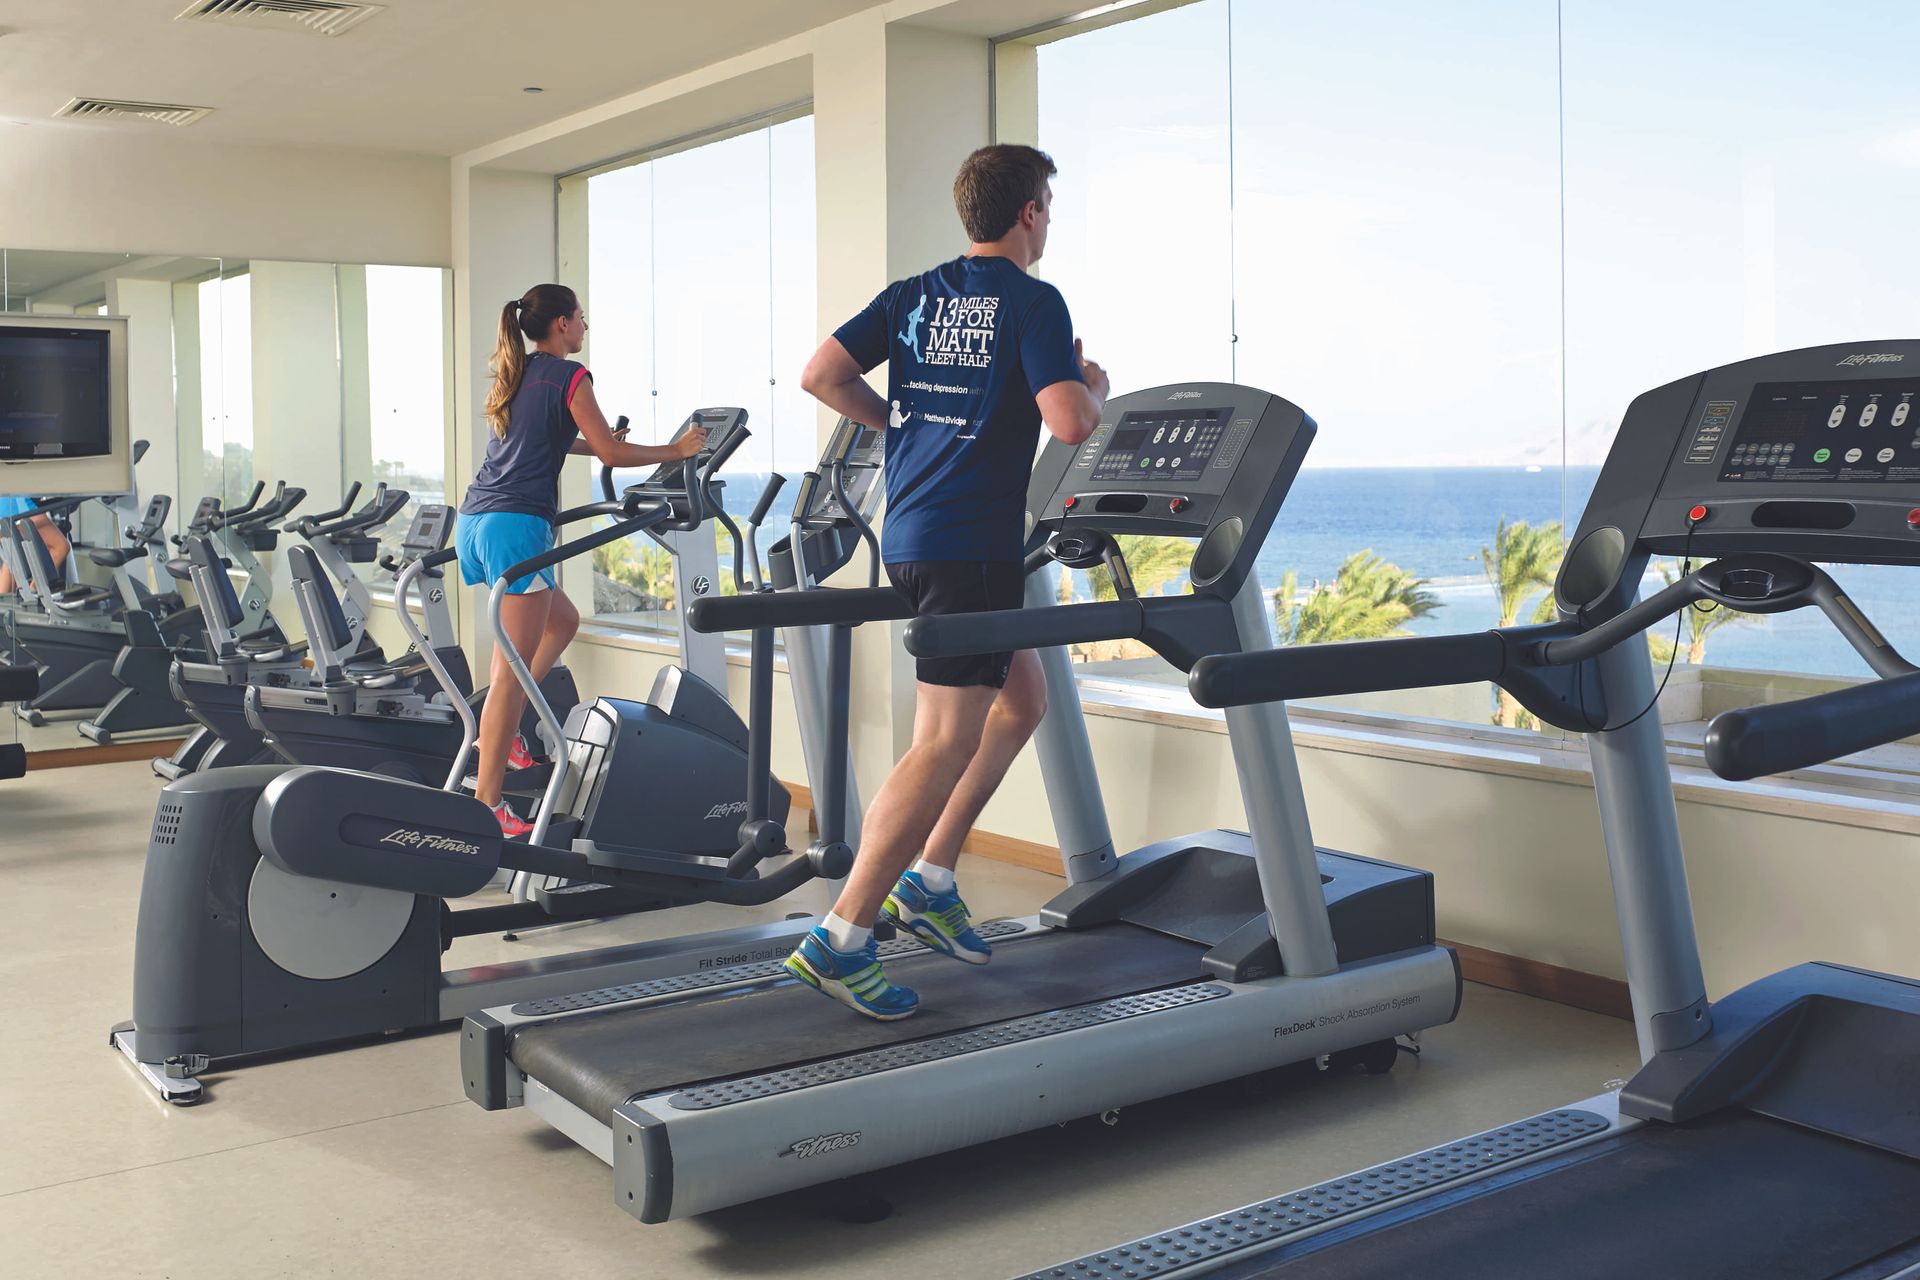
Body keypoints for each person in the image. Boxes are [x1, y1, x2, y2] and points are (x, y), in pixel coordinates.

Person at [791, 144, 1111, 1019]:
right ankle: (843, 937)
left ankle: (930, 878)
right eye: (1049, 204)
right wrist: (1090, 380)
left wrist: (899, 426)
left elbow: (822, 375)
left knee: (1023, 700)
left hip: (913, 531)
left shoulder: (916, 294)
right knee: (941, 741)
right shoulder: (1034, 301)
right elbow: (1071, 421)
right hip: (971, 543)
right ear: (1031, 213)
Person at [457, 283, 705, 837]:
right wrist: (676, 451)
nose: (585, 327)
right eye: (581, 318)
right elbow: (614, 456)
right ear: (563, 325)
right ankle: (489, 806)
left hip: (477, 521)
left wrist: (600, 438)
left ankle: (508, 724)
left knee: (562, 622)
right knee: (509, 675)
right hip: (516, 524)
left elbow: (556, 441)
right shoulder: (571, 375)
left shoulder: (518, 371)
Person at [0, 494, 68, 596]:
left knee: (13, 558)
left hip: (5, 504)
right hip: (17, 503)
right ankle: (32, 592)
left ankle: (4, 604)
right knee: (60, 547)